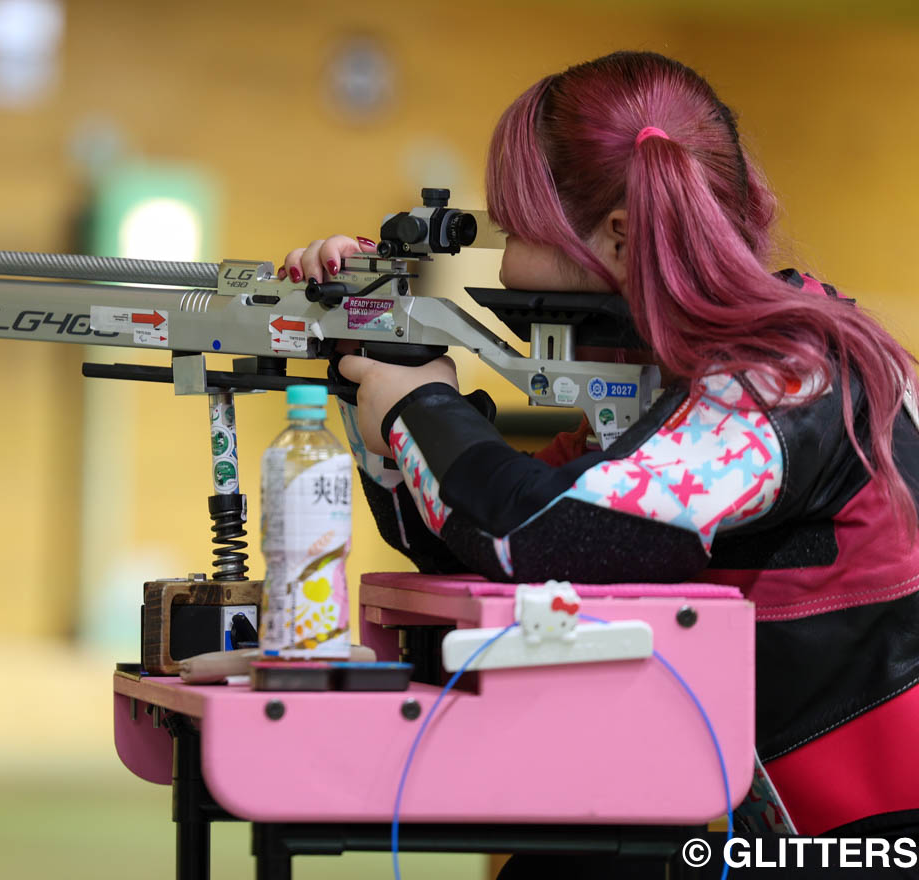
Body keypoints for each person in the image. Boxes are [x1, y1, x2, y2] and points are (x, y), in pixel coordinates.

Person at [280, 51, 919, 872]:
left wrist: (419, 406)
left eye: (514, 234)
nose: (504, 268)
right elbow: (476, 545)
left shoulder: (790, 374)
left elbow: (533, 535)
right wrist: (366, 359)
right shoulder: (707, 384)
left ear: (617, 236)